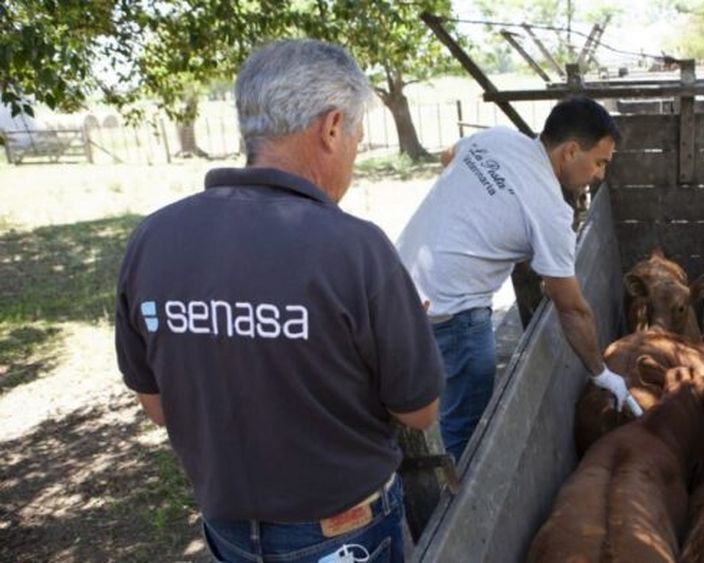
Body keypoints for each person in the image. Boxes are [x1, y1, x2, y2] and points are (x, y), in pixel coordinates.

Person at [114, 39, 444, 563]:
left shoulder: (153, 238)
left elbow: (157, 408)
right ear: (332, 127)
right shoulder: (356, 249)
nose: (354, 155)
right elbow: (420, 411)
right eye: (357, 138)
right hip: (343, 536)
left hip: (227, 529)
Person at [396, 96, 641, 462]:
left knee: (400, 407)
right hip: (455, 315)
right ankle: (452, 494)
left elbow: (449, 156)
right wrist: (601, 373)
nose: (600, 174)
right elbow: (572, 309)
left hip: (394, 285)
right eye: (600, 162)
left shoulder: (497, 138)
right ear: (571, 151)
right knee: (462, 430)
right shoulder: (551, 213)